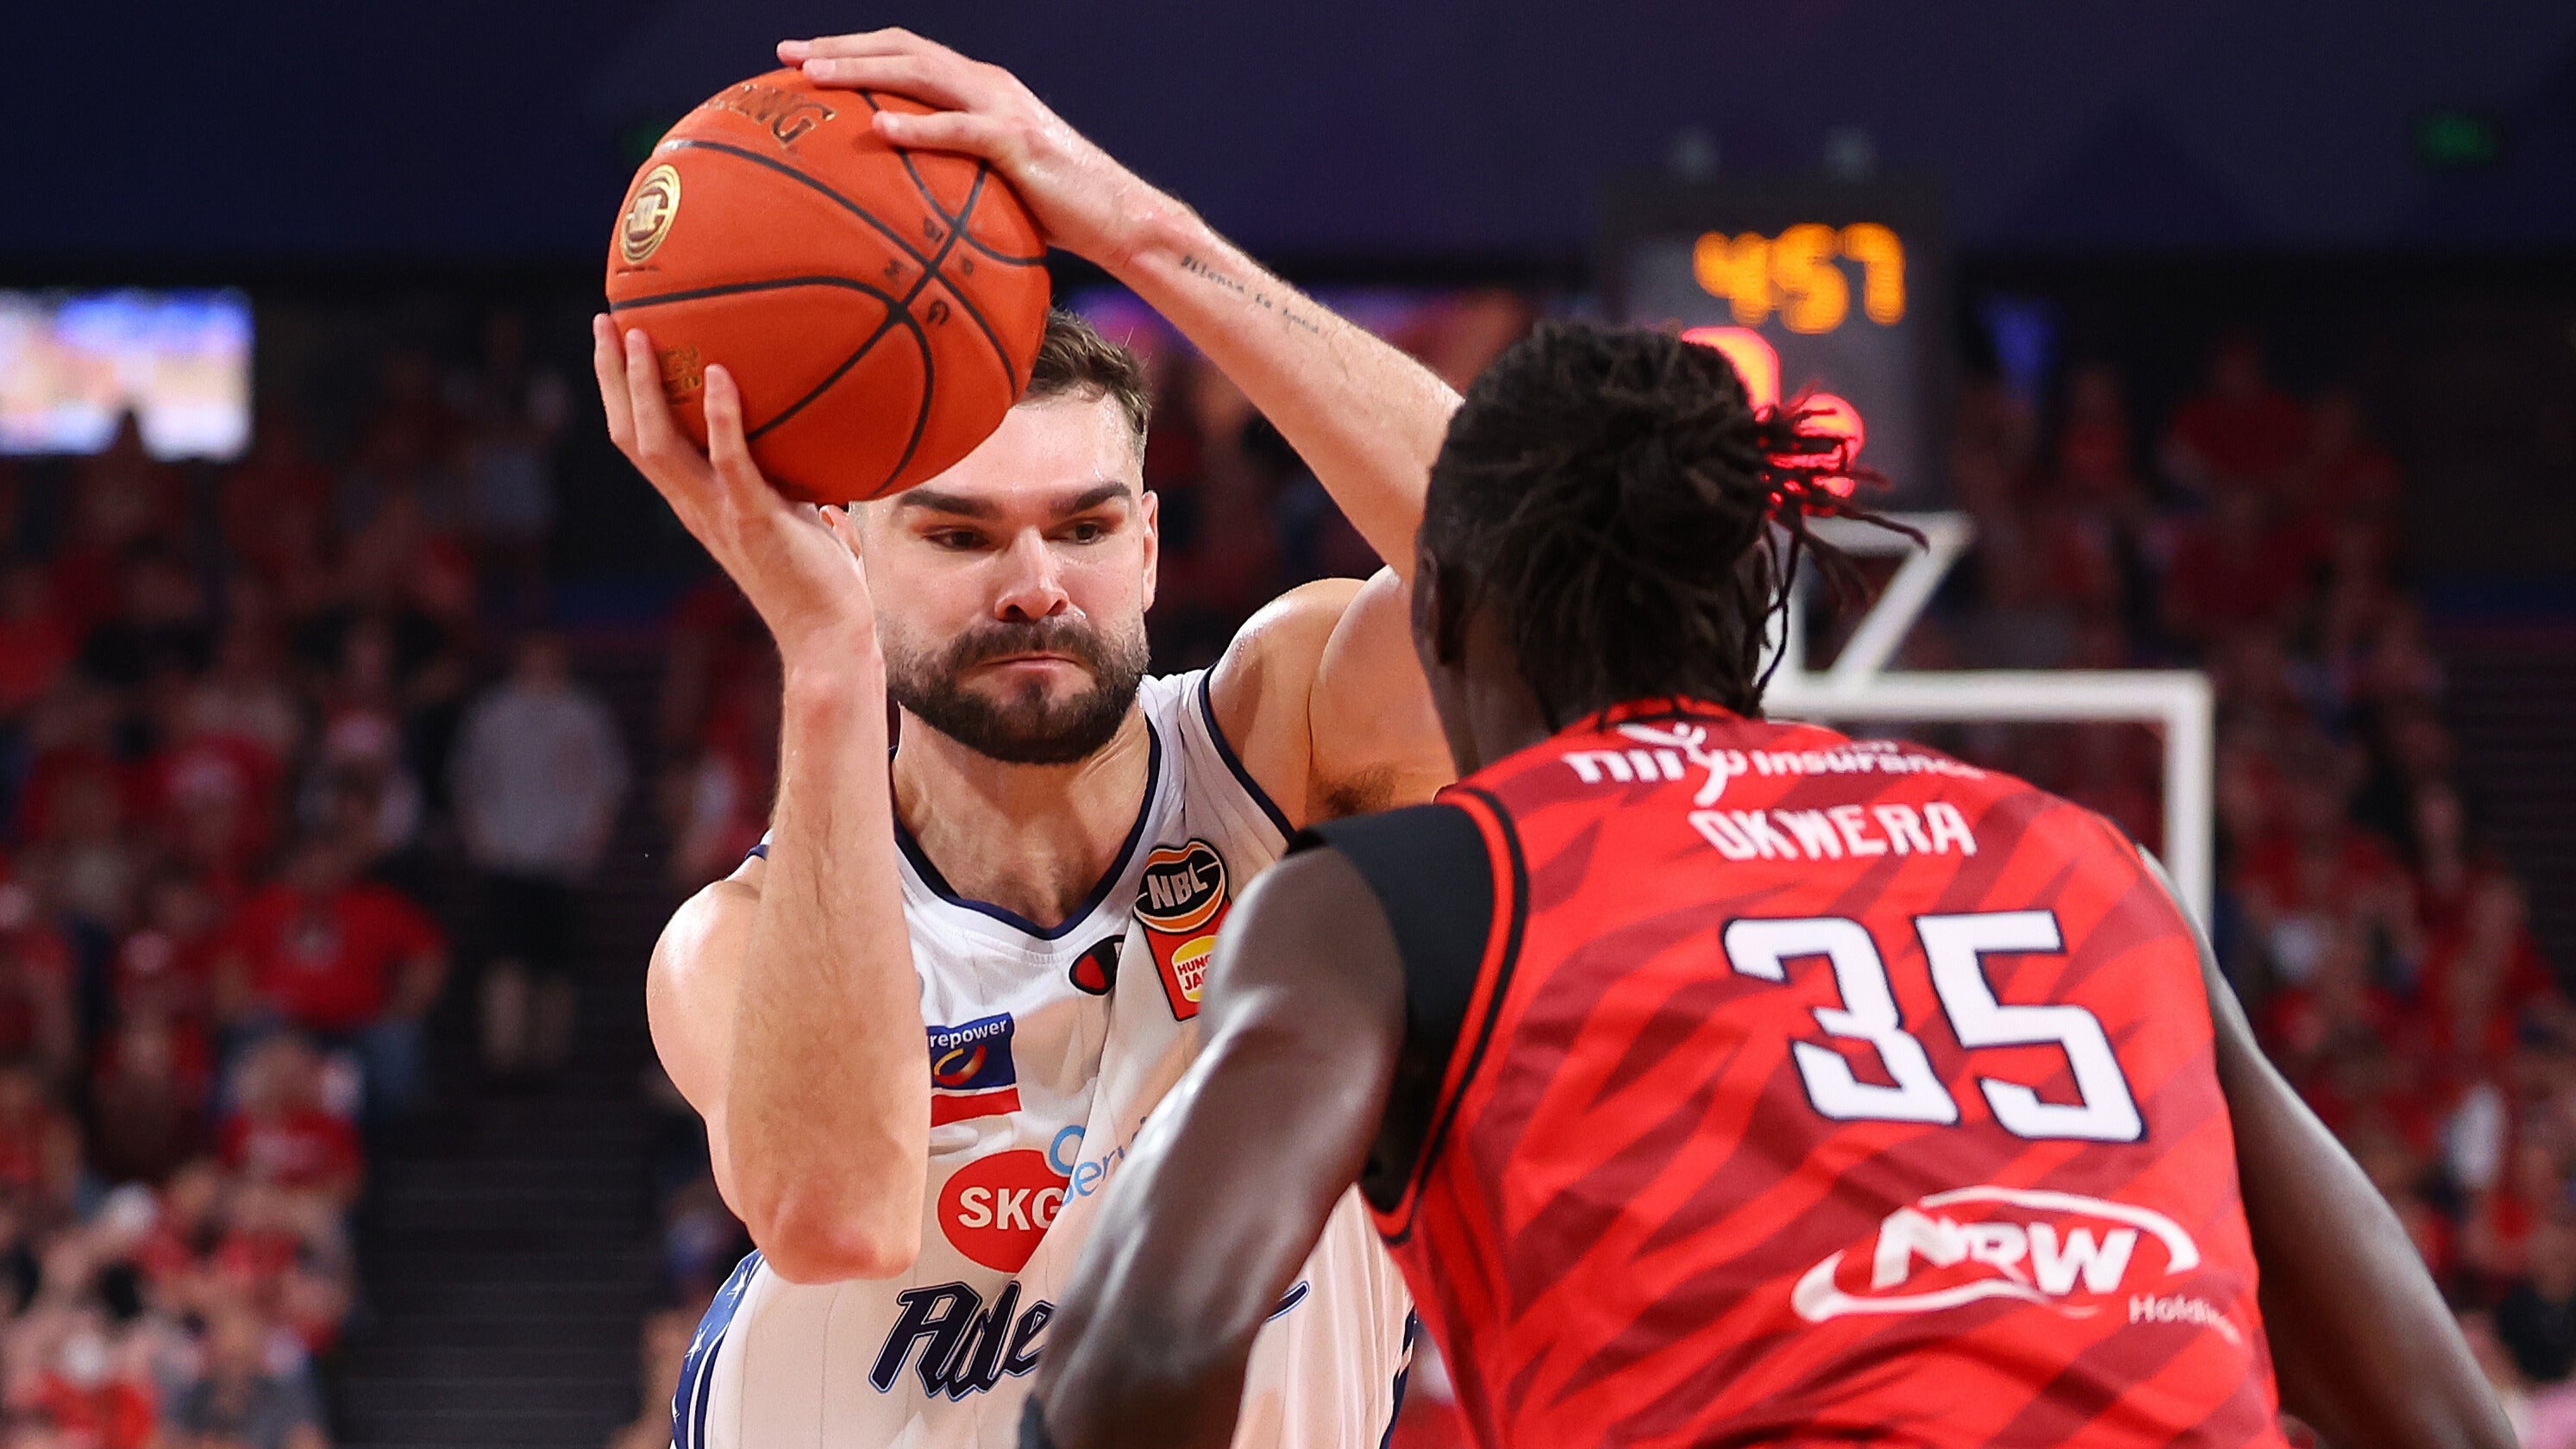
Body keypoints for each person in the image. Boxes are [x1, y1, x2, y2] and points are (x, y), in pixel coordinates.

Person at [1025, 324, 2515, 1449]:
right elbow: (2441, 1421)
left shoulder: (1419, 887)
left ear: (1443, 620)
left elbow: (1147, 1355)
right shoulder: (2089, 859)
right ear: (1759, 610)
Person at [598, 27, 1457, 1449]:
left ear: (1149, 542)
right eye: (958, 534)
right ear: (845, 547)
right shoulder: (731, 942)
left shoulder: (1288, 739)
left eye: (1085, 525)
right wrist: (826, 658)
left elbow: (1537, 575)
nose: (1035, 584)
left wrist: (1138, 232)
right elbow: (836, 1215)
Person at [450, 630, 629, 1082]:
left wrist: (591, 842)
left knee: (556, 967)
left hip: (563, 861)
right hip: (506, 858)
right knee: (506, 959)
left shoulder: (584, 714)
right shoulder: (494, 712)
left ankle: (550, 1061)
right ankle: (504, 1058)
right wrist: (481, 839)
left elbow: (607, 784)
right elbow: (468, 780)